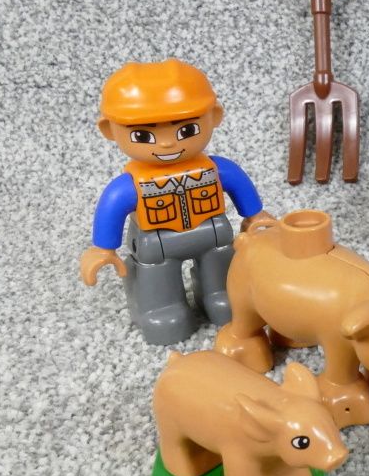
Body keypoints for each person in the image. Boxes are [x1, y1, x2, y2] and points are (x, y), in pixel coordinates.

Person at [79, 59, 273, 344]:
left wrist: (255, 215)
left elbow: (239, 185)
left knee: (222, 275)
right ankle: (162, 308)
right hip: (157, 244)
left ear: (214, 117)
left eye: (186, 130)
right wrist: (103, 248)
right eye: (143, 135)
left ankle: (220, 295)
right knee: (158, 283)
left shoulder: (217, 170)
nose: (167, 143)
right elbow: (113, 206)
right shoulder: (130, 185)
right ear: (109, 130)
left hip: (213, 234)